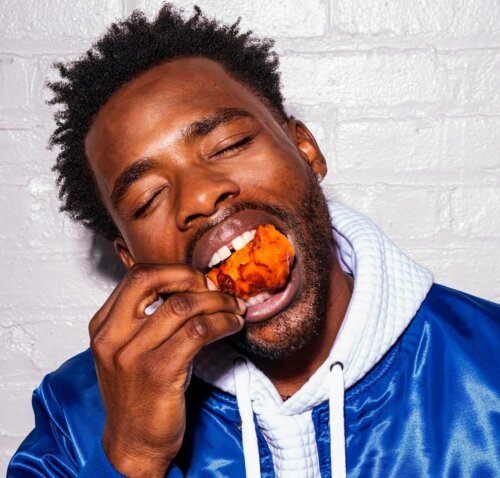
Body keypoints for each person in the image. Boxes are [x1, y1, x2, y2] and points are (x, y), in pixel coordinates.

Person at [8, 4, 499, 478]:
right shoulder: (73, 416)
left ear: (306, 150)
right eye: (147, 198)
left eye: (230, 145)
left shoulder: (489, 368)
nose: (199, 195)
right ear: (131, 259)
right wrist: (132, 459)